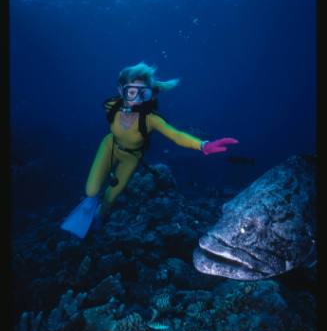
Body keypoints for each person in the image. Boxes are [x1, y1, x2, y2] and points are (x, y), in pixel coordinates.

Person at [61, 62, 238, 238]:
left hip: (132, 157)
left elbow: (175, 135)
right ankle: (90, 205)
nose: (136, 99)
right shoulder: (112, 106)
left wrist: (203, 145)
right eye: (131, 92)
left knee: (111, 196)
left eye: (142, 93)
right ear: (121, 90)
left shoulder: (151, 119)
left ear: (149, 95)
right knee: (91, 191)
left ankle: (100, 216)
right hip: (109, 145)